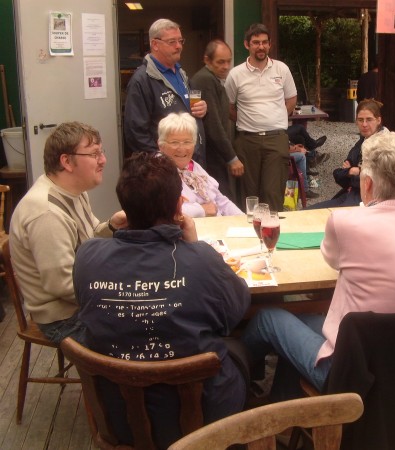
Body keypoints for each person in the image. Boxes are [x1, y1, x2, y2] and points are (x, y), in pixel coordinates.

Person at [242, 131, 395, 400]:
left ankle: (234, 384)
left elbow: (331, 258)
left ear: (366, 183)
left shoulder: (346, 222)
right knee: (295, 322)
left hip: (350, 375)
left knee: (267, 317)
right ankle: (284, 407)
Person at [73, 152, 250, 447]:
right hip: (202, 422)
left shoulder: (87, 256)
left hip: (119, 417)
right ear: (180, 206)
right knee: (242, 346)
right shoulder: (201, 259)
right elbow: (235, 312)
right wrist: (194, 246)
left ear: (124, 210)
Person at [8, 122, 126, 344]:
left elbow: (90, 236)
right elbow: (62, 285)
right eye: (94, 154)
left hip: (77, 303)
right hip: (63, 320)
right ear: (66, 161)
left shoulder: (74, 191)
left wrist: (112, 226)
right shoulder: (46, 214)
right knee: (145, 324)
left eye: (102, 152)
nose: (103, 160)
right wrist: (119, 291)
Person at [225, 23, 297, 212]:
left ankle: (272, 237)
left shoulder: (282, 69)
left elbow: (291, 99)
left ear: (269, 45)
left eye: (265, 42)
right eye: (256, 42)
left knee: (273, 193)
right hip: (247, 140)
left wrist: (277, 116)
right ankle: (250, 237)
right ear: (247, 45)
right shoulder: (235, 74)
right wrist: (248, 119)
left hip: (276, 139)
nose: (261, 46)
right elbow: (229, 107)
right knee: (249, 196)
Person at [123, 18, 208, 165]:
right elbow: (135, 133)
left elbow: (187, 110)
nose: (178, 46)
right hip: (166, 168)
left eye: (180, 41)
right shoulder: (142, 80)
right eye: (172, 42)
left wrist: (203, 109)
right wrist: (163, 161)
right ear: (155, 44)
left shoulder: (180, 73)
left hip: (192, 161)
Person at [158, 112, 243, 217]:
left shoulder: (194, 167)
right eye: (174, 142)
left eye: (187, 142)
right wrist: (202, 210)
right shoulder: (156, 172)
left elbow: (221, 201)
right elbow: (163, 210)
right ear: (161, 145)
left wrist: (243, 220)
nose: (181, 149)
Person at [308, 99, 388, 209]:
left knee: (322, 218)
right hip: (351, 193)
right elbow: (340, 173)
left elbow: (376, 180)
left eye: (369, 119)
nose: (364, 124)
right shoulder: (363, 140)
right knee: (306, 212)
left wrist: (355, 172)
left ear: (378, 120)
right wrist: (352, 171)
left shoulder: (385, 144)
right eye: (360, 120)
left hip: (367, 201)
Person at [189, 39, 243, 200]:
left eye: (228, 61)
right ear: (207, 60)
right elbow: (213, 125)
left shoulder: (215, 80)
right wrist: (231, 157)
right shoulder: (205, 80)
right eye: (220, 62)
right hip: (211, 158)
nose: (226, 66)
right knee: (221, 201)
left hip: (217, 156)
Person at [288, 134, 319, 199]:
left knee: (300, 137)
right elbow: (282, 148)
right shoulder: (276, 129)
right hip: (280, 157)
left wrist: (294, 146)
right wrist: (296, 149)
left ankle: (312, 155)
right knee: (301, 156)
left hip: (277, 152)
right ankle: (304, 189)